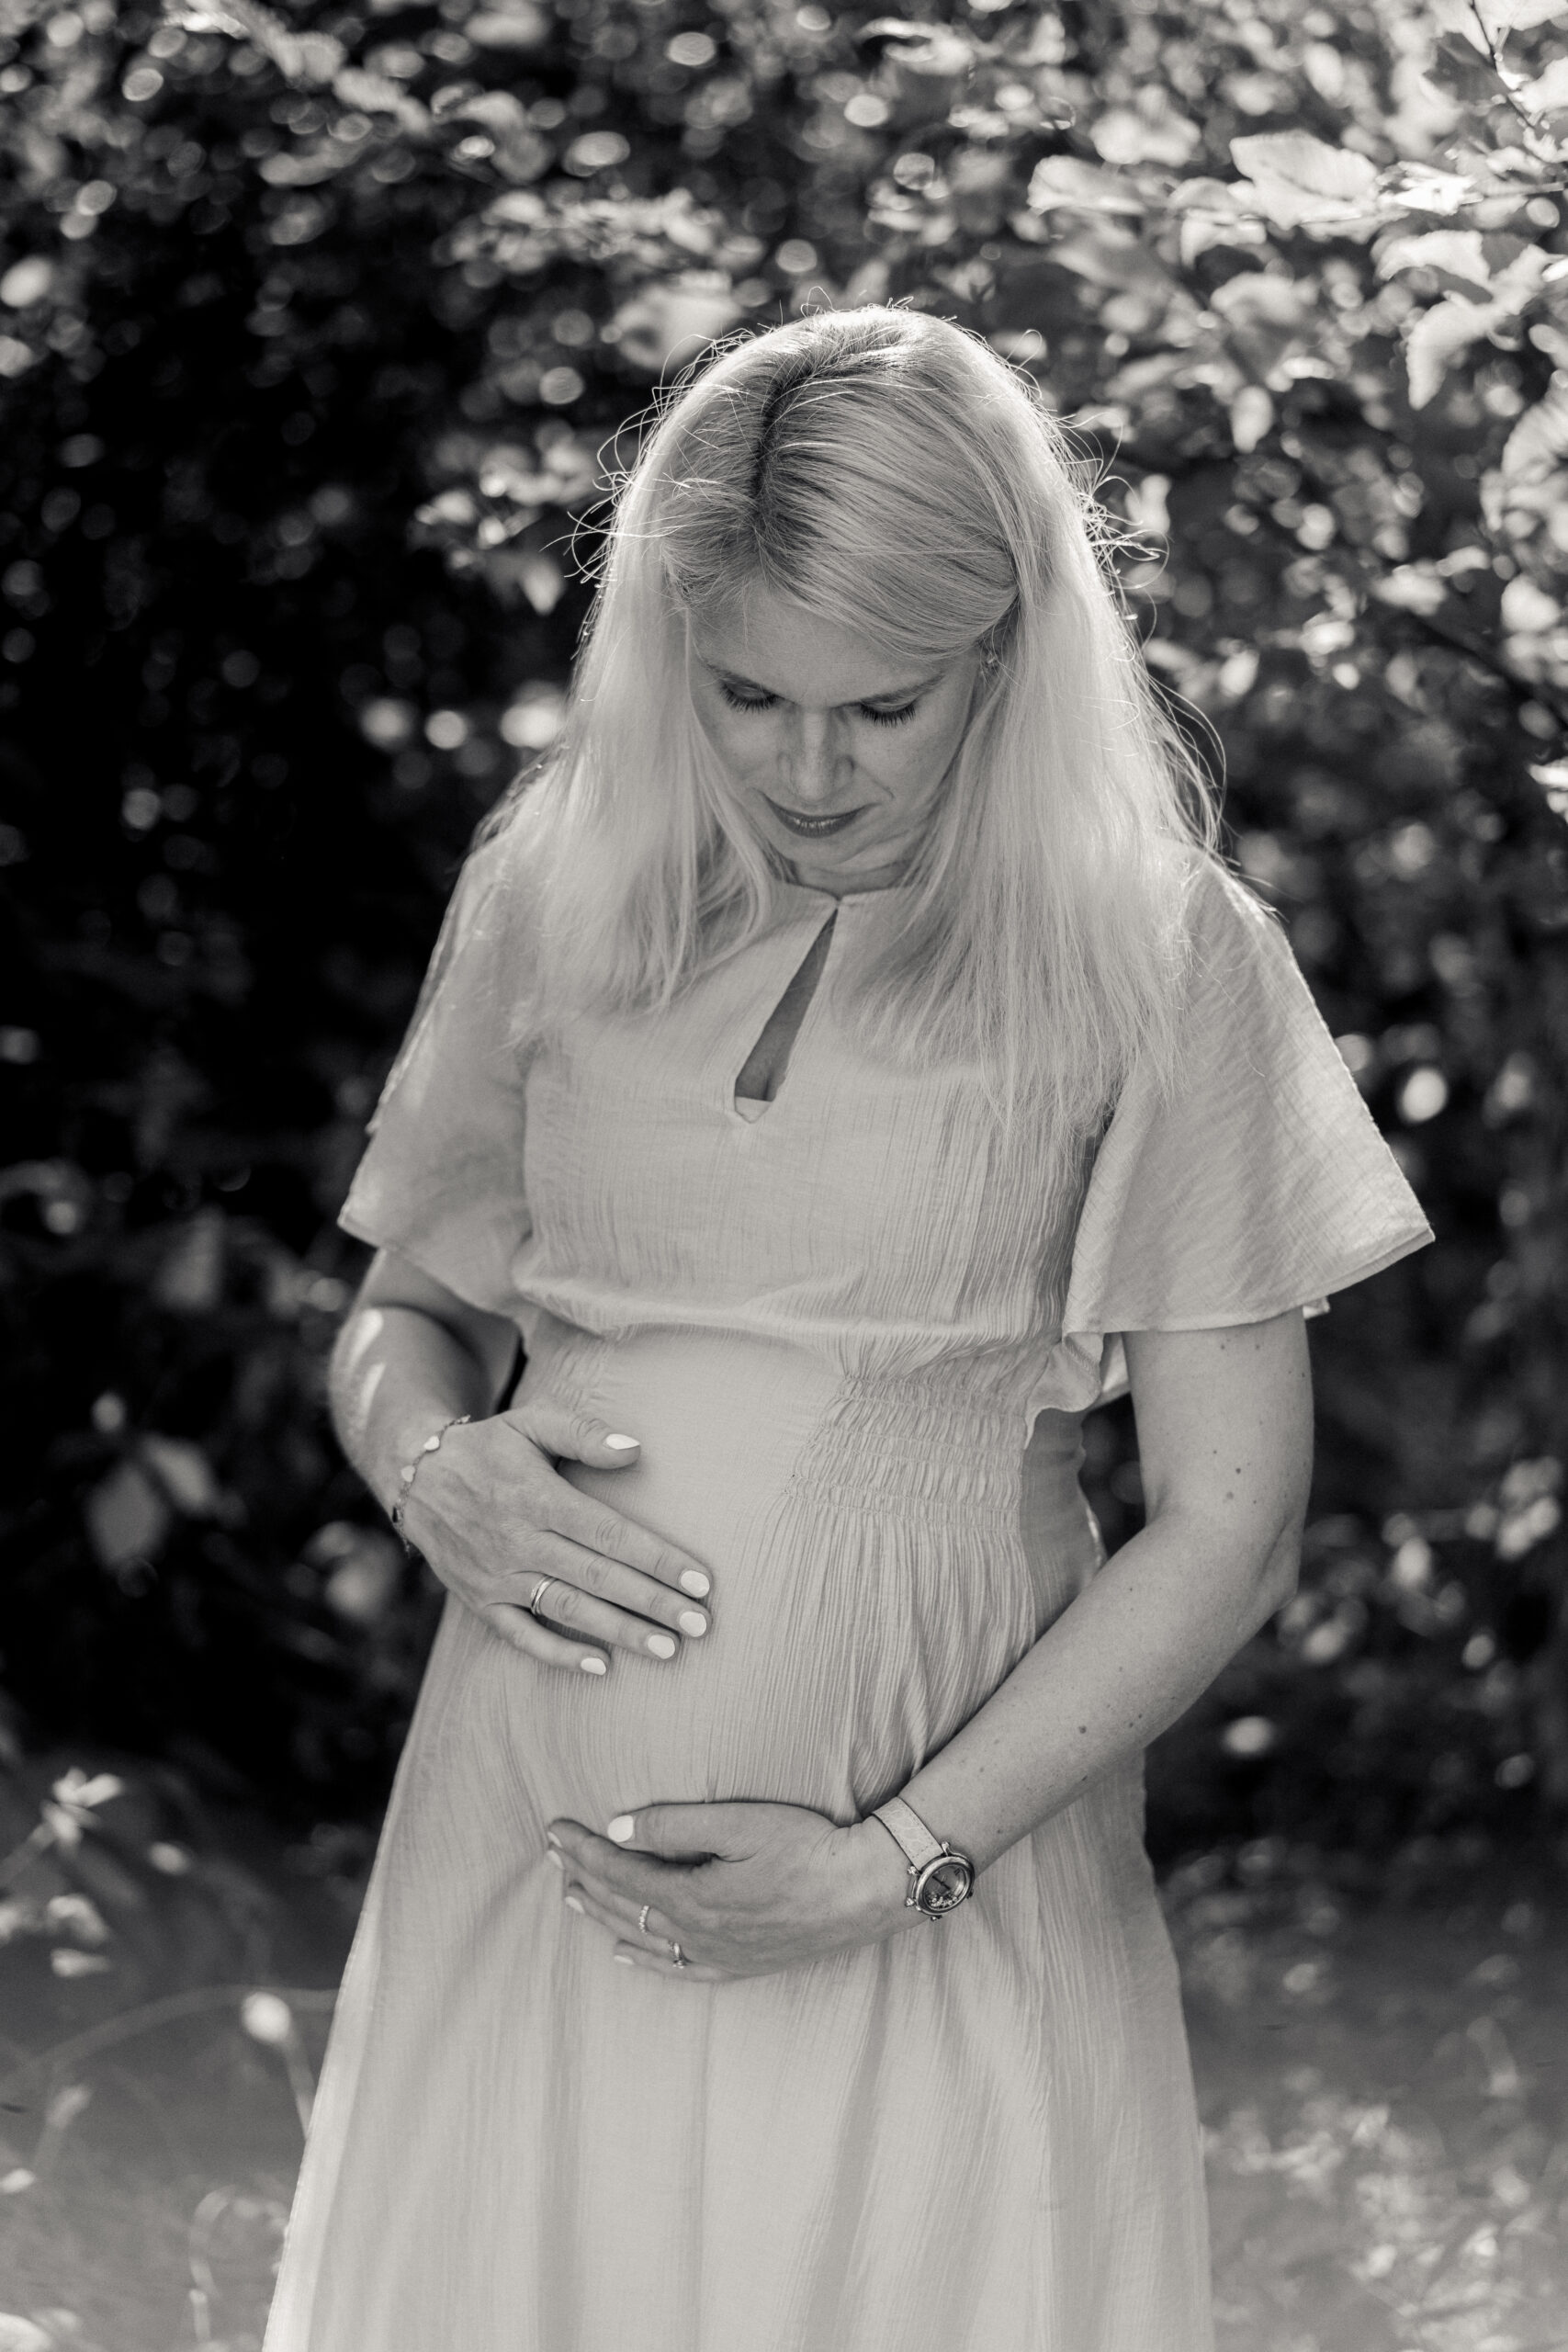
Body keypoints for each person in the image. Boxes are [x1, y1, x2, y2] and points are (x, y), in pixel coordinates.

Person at [264, 306, 1431, 2352]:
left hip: (933, 1885)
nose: (806, 771)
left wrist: (891, 1862)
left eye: (882, 706)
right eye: (746, 695)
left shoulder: (1162, 956)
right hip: (517, 1841)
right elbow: (410, 1309)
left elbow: (1230, 1521)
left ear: (1006, 653)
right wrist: (430, 1466)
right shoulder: (557, 883)